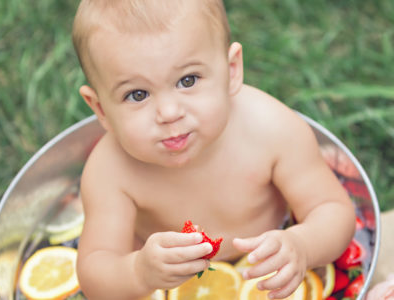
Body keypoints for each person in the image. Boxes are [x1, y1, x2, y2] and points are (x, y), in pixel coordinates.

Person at [72, 0, 356, 299]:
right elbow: (95, 273)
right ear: (101, 109)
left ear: (232, 70)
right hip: (169, 282)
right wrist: (138, 272)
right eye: (137, 94)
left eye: (187, 80)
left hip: (262, 268)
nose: (169, 112)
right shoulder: (110, 172)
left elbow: (332, 211)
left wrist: (302, 244)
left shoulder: (272, 130)